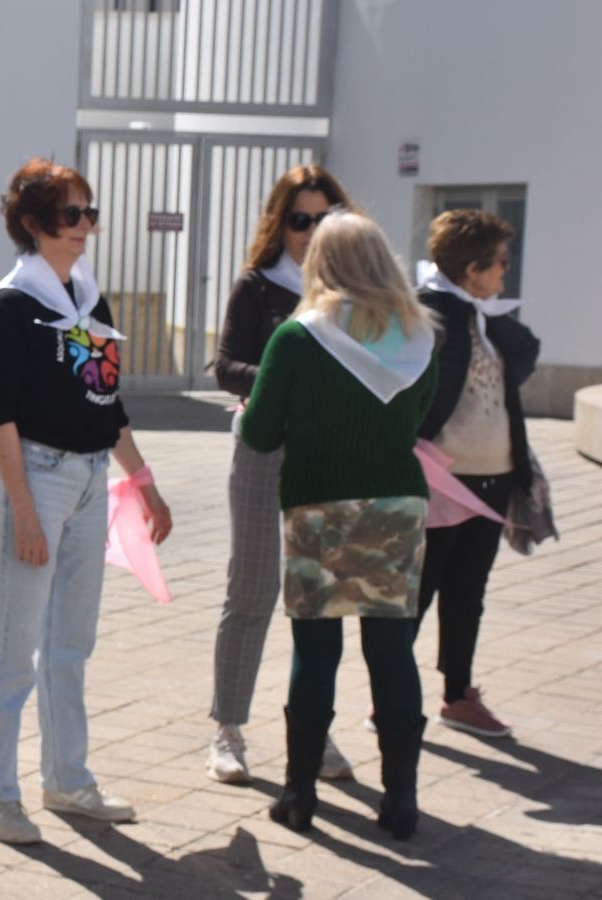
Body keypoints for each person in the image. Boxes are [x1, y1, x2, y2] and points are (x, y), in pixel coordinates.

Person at [0, 158, 174, 845]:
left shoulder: (87, 297)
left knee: (69, 644)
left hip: (91, 480)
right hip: (37, 476)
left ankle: (67, 780)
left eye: (90, 214)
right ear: (33, 225)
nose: (86, 227)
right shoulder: (12, 306)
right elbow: (0, 417)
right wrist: (24, 510)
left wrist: (144, 485)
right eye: (71, 215)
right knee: (11, 647)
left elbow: (105, 403)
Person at [238, 210, 437, 840]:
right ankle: (400, 800)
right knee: (391, 651)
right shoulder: (420, 335)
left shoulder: (299, 337)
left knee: (316, 650)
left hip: (318, 506)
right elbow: (421, 423)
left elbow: (263, 431)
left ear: (319, 263)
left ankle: (299, 795)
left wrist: (252, 413)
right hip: (396, 506)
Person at [208, 165, 357, 785]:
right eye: (299, 219)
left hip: (328, 458)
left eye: (323, 218)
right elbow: (224, 368)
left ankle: (313, 732)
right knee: (252, 592)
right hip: (263, 452)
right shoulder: (258, 286)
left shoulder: (355, 294)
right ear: (281, 222)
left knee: (321, 599)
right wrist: (285, 386)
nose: (310, 231)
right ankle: (228, 730)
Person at [414, 209, 539, 739]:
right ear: (471, 270)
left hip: (494, 477)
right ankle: (391, 694)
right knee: (416, 593)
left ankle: (457, 695)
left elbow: (527, 349)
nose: (505, 274)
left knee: (468, 593)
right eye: (499, 264)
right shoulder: (429, 315)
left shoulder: (488, 319)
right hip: (443, 480)